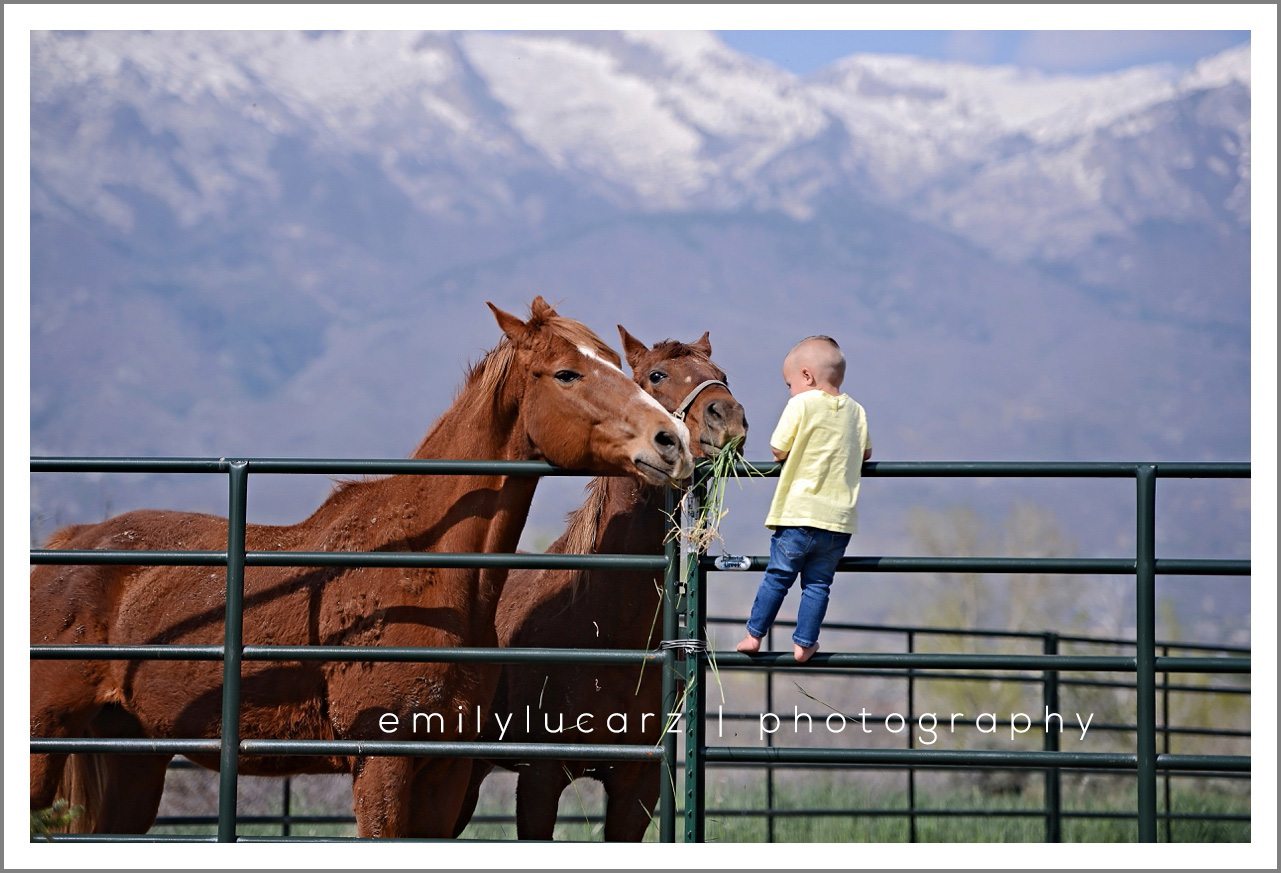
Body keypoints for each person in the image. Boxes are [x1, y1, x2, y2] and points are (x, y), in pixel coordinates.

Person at [736, 335, 872, 663]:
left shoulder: (801, 404)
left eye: (789, 383)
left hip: (797, 515)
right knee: (818, 585)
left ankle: (754, 635)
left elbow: (778, 448)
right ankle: (805, 643)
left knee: (778, 577)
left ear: (807, 377)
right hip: (838, 522)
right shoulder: (857, 412)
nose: (790, 391)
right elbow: (866, 454)